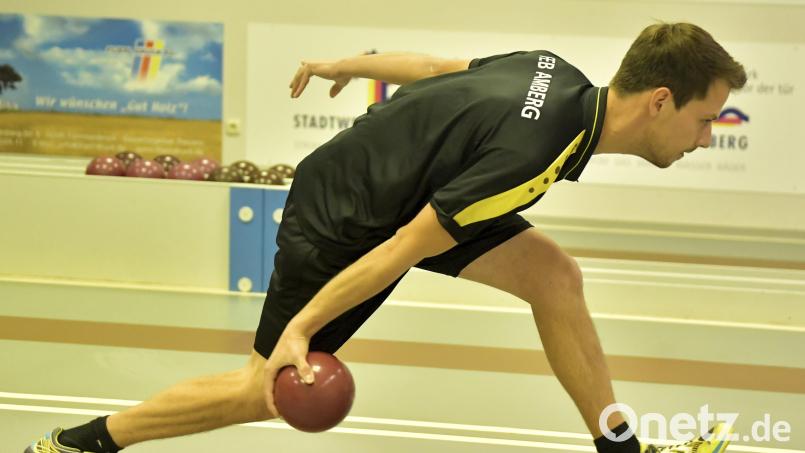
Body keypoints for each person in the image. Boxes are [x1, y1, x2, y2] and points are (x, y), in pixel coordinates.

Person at [26, 22, 746, 453]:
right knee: (265, 388)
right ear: (659, 102)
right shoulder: (531, 159)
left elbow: (435, 71)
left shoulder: (555, 75)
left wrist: (348, 63)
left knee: (552, 276)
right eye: (705, 117)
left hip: (408, 185)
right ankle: (84, 441)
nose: (706, 135)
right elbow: (404, 245)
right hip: (345, 214)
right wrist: (301, 331)